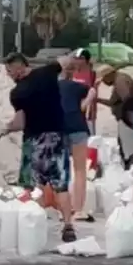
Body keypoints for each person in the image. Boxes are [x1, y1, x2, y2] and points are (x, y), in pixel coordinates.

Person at [1, 52, 79, 243]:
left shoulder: (17, 93)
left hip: (35, 141)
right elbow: (66, 60)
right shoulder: (47, 72)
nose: (9, 76)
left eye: (10, 72)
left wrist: (8, 128)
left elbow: (20, 122)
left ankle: (32, 227)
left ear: (19, 68)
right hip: (57, 138)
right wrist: (75, 60)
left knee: (32, 186)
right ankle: (68, 225)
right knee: (61, 185)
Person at [58, 60, 97, 222]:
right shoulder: (78, 87)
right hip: (78, 127)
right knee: (80, 170)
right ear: (74, 71)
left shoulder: (50, 87)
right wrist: (87, 100)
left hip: (58, 128)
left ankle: (63, 210)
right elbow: (90, 96)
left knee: (61, 170)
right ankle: (78, 210)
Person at [101, 68, 133, 169]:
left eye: (104, 79)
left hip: (127, 118)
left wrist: (127, 117)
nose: (103, 83)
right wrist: (97, 99)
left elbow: (127, 100)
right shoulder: (119, 79)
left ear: (109, 75)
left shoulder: (120, 81)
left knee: (129, 145)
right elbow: (112, 102)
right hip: (126, 117)